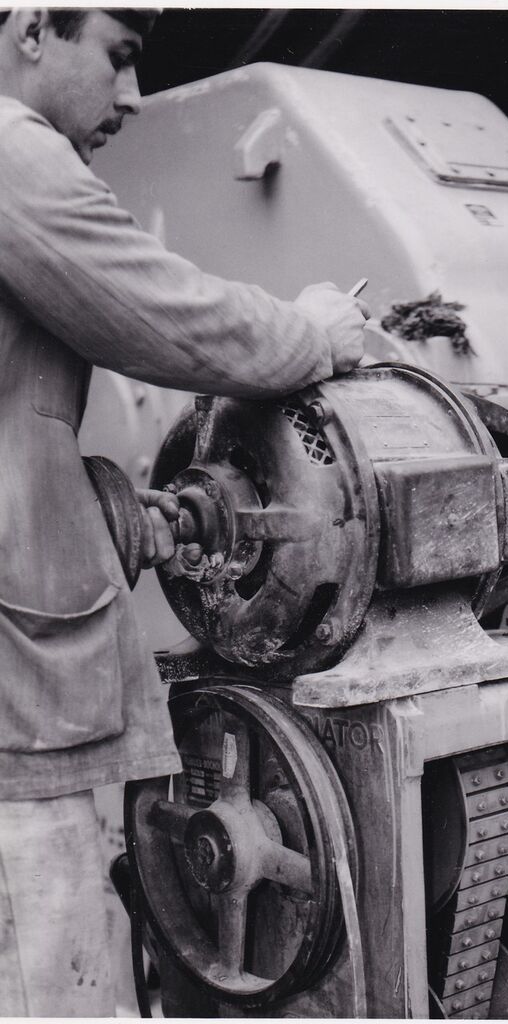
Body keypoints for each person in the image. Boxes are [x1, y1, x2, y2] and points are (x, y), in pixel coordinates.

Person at [0, 8, 369, 1015]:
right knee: (50, 963)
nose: (130, 96)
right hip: (17, 692)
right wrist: (311, 333)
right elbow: (161, 314)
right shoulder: (12, 154)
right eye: (119, 55)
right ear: (34, 26)